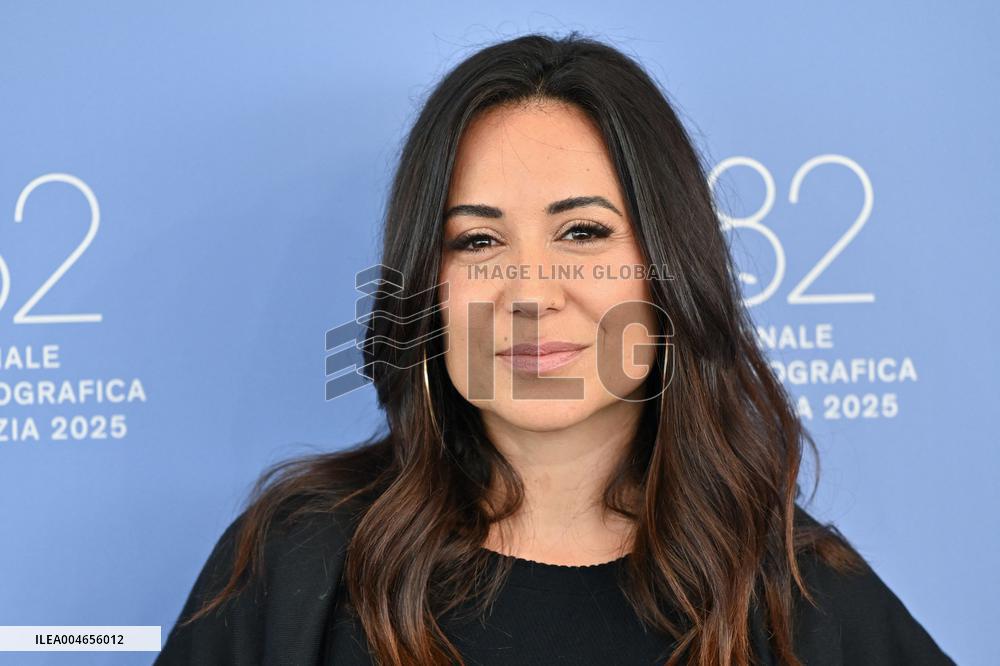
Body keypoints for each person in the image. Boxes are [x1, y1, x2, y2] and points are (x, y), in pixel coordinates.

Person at [156, 31, 955, 665]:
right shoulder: (295, 562)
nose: (531, 293)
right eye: (476, 241)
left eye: (583, 232)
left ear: (668, 268)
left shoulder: (805, 596)